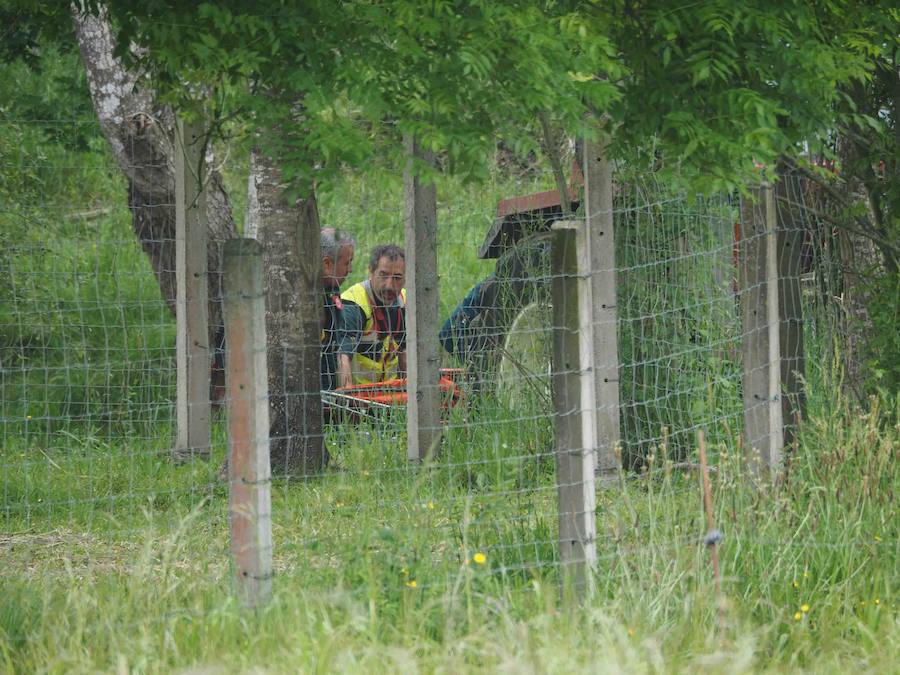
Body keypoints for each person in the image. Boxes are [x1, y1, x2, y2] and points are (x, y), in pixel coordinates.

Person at [336, 244, 406, 388]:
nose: (389, 285)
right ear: (371, 271)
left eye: (397, 278)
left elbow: (405, 352)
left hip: (391, 398)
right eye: (383, 275)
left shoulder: (405, 301)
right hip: (359, 398)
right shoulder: (354, 303)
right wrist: (348, 401)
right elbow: (342, 357)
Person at [320, 228, 355, 391]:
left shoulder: (333, 290)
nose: (350, 270)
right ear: (327, 264)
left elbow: (339, 336)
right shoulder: (305, 296)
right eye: (347, 263)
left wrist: (347, 385)